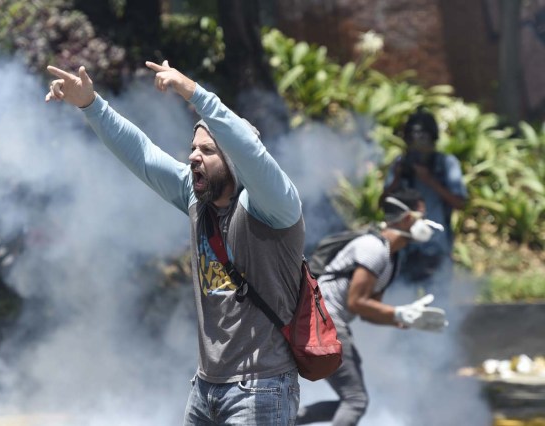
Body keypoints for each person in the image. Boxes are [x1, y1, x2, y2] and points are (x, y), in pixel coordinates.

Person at [45, 61, 304, 425]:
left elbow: (251, 153)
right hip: (205, 387)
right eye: (193, 148)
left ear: (236, 162)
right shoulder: (197, 197)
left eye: (208, 151)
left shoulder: (274, 206)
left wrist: (195, 94)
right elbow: (144, 154)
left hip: (259, 388)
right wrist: (91, 104)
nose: (193, 156)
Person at [295, 189, 448, 426]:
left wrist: (405, 318)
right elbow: (357, 302)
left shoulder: (391, 257)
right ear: (407, 218)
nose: (426, 222)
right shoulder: (373, 248)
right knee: (355, 401)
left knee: (352, 401)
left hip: (325, 321)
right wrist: (397, 313)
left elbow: (368, 310)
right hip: (325, 321)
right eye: (421, 216)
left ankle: (283, 420)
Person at [381, 108, 467, 300]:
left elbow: (460, 202)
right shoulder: (401, 163)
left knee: (438, 302)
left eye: (423, 137)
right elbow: (383, 204)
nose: (417, 143)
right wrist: (396, 178)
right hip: (404, 247)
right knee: (400, 303)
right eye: (412, 137)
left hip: (435, 245)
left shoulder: (445, 163)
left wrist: (429, 180)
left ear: (433, 137)